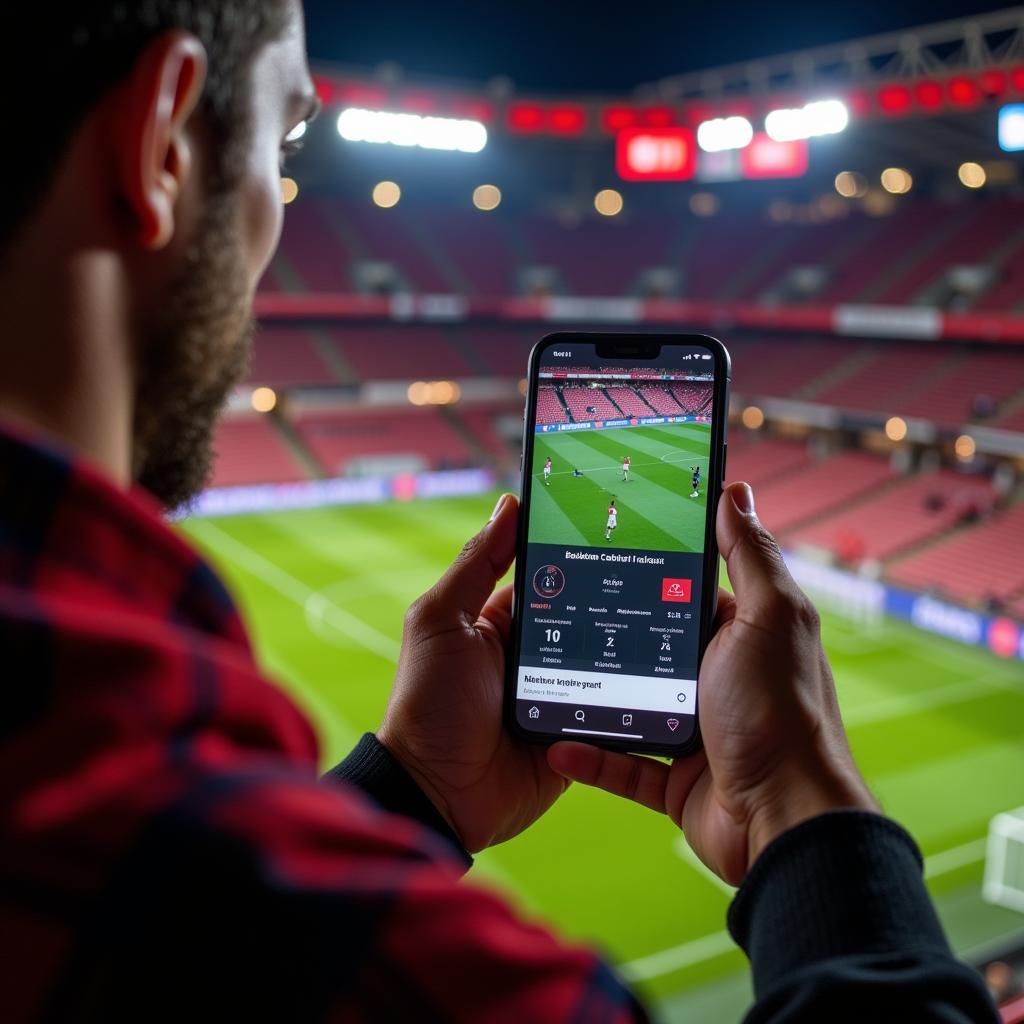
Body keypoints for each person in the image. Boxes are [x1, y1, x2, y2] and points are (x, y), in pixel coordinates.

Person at [0, 2, 997, 1021]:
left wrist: (413, 791)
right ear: (160, 141)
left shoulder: (73, 783)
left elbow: (193, 951)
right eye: (287, 140)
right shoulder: (401, 973)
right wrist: (803, 806)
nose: (284, 209)